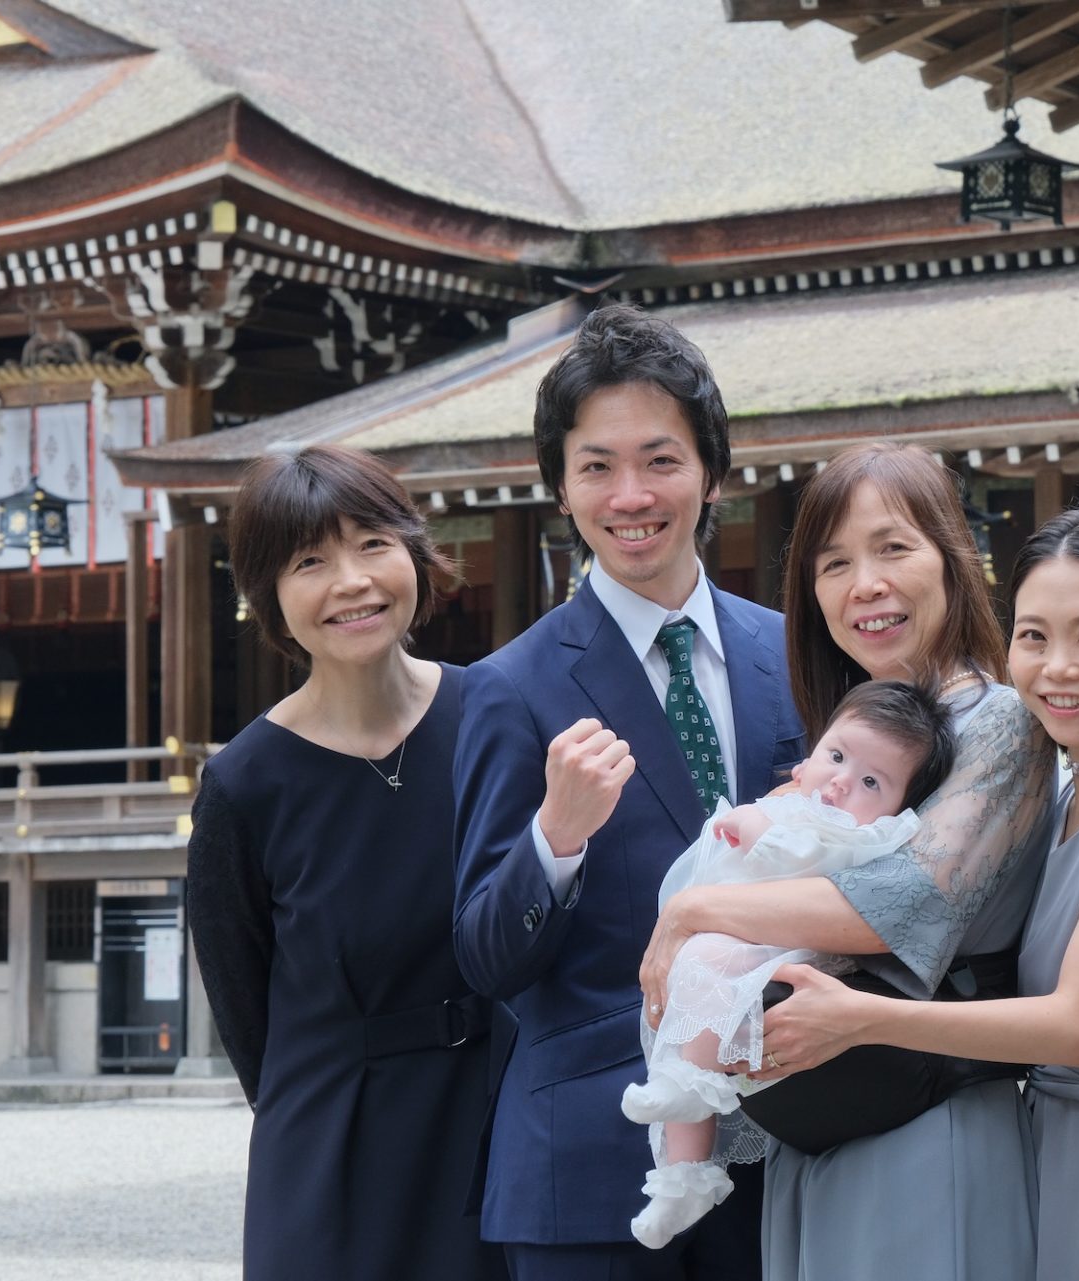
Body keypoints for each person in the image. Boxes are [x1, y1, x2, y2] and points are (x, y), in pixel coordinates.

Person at [757, 504, 1079, 1281]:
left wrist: (860, 1017)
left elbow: (1078, 1026)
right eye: (1034, 636)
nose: (1057, 667)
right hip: (1058, 1156)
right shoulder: (1072, 792)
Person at [637, 442, 1056, 1281]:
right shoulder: (856, 737)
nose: (864, 583)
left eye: (893, 548)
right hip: (827, 1122)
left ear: (954, 557)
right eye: (834, 563)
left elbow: (898, 901)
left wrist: (691, 913)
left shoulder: (1000, 720)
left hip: (924, 1120)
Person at [452, 303, 805, 1281]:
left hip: (787, 1148)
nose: (631, 494)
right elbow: (484, 956)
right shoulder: (508, 689)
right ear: (560, 489)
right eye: (596, 467)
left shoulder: (796, 658)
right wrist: (553, 839)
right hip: (590, 1167)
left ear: (712, 474)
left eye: (661, 460)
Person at [187, 444, 506, 1281]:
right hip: (333, 1146)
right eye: (309, 560)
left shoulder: (497, 713)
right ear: (269, 596)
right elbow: (242, 1006)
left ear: (413, 552)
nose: (351, 581)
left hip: (494, 1123)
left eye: (372, 543)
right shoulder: (244, 783)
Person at [623, 679, 957, 1251]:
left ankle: (690, 1101)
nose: (843, 780)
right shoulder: (800, 799)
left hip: (789, 951)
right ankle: (682, 1179)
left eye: (872, 781)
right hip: (739, 943)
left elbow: (804, 859)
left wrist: (755, 828)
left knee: (702, 978)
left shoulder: (865, 834)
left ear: (899, 805)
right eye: (836, 755)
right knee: (684, 1018)